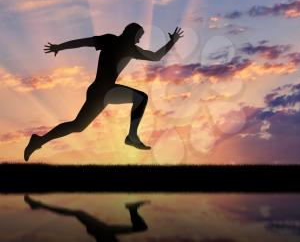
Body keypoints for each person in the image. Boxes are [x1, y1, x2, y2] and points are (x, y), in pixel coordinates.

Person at [24, 23, 184, 161]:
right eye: (139, 36)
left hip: (99, 91)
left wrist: (60, 46)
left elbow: (83, 42)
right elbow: (155, 56)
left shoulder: (119, 43)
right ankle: (132, 137)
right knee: (141, 98)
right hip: (104, 89)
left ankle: (39, 141)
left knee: (78, 126)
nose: (139, 40)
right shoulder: (118, 43)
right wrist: (172, 41)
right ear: (131, 34)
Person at [24, 195, 150, 242]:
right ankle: (132, 209)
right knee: (141, 228)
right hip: (105, 231)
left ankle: (39, 205)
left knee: (78, 213)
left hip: (102, 231)